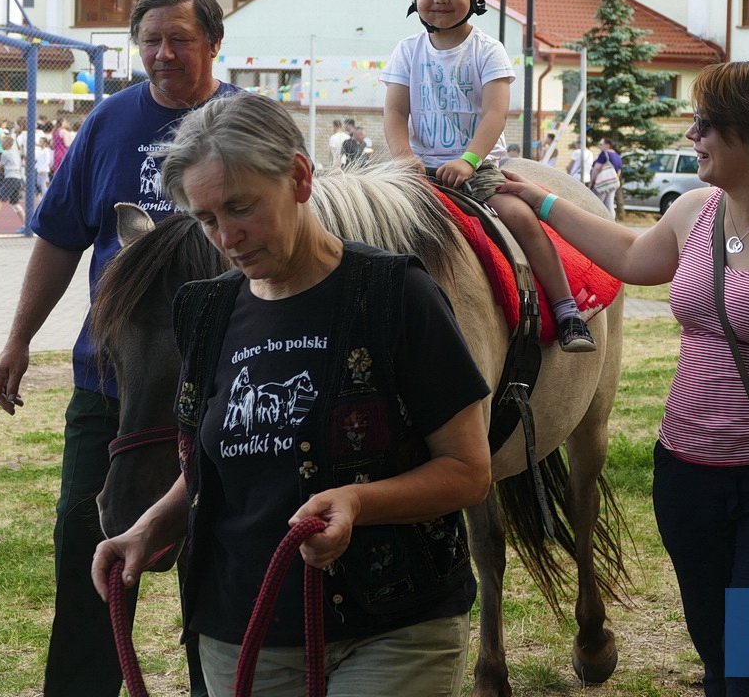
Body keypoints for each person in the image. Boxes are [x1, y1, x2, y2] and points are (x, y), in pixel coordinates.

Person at [496, 57, 749, 697]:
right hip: (686, 477)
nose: (693, 136)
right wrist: (541, 201)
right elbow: (630, 256)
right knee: (717, 659)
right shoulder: (696, 211)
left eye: (707, 124)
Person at [91, 91, 492, 697]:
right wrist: (151, 525)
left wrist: (359, 502)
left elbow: (468, 471)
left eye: (241, 207)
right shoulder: (205, 311)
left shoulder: (397, 295)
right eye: (206, 219)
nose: (227, 236)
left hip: (395, 626)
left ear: (300, 177)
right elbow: (213, 458)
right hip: (239, 624)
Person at [0, 0, 239, 697]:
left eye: (180, 40)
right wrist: (18, 339)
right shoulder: (108, 124)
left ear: (214, 44)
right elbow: (62, 239)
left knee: (218, 555)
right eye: (150, 40)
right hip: (111, 383)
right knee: (84, 540)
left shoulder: (250, 125)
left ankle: (217, 684)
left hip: (224, 389)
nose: (162, 53)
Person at [380, 0, 596, 352]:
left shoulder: (487, 50)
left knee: (519, 217)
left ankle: (566, 308)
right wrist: (404, 157)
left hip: (475, 170)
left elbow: (496, 114)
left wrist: (469, 160)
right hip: (417, 172)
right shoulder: (407, 51)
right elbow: (394, 112)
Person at [589, 138, 622, 216]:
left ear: (607, 145)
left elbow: (596, 168)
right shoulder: (617, 156)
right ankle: (611, 223)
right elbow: (619, 171)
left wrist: (592, 182)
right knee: (609, 205)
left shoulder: (604, 154)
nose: (599, 146)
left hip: (602, 183)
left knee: (597, 204)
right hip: (612, 184)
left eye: (601, 144)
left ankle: (596, 222)